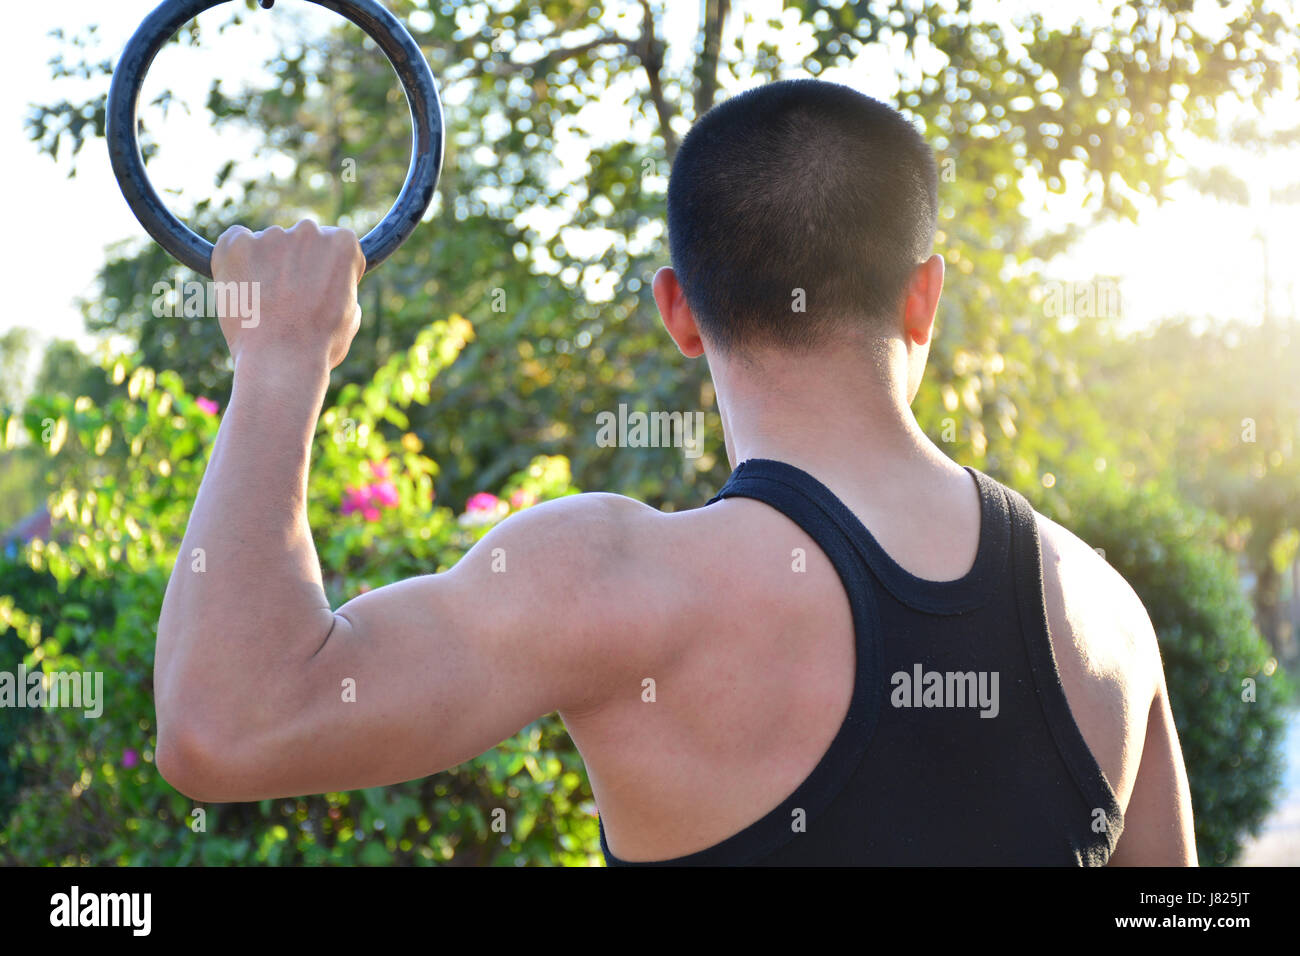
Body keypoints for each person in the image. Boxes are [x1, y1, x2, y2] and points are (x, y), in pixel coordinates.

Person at [154, 78, 1196, 865]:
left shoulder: (608, 578)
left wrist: (283, 355)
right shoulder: (1107, 612)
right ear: (923, 297)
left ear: (678, 311)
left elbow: (226, 726)